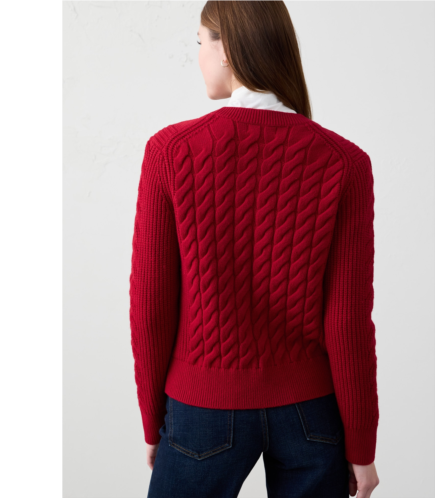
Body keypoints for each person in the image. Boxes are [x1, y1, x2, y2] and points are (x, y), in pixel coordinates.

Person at [130, 1, 380, 497]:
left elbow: (150, 306)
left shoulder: (171, 152)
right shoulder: (345, 162)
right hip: (310, 412)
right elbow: (348, 320)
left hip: (202, 408)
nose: (198, 56)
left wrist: (153, 420)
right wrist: (362, 446)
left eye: (199, 42)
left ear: (227, 48)